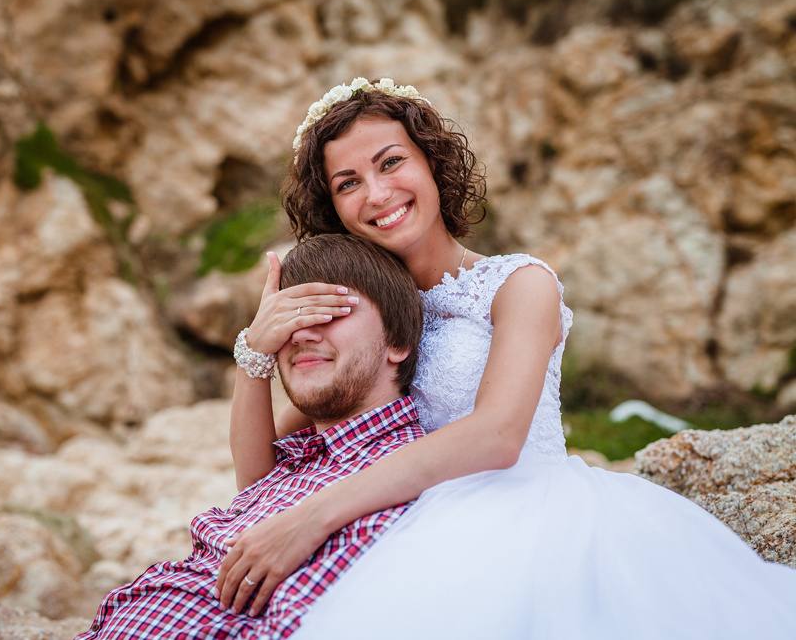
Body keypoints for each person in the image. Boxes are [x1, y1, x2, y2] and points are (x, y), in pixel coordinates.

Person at [219, 78, 796, 638]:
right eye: (348, 183)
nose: (376, 193)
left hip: (525, 514)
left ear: (432, 164)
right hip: (399, 525)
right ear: (334, 207)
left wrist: (316, 514)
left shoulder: (516, 284)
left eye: (391, 162)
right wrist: (256, 352)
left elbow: (498, 436)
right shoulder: (361, 316)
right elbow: (262, 478)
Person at [75, 233, 426, 640]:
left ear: (397, 341)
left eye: (330, 310)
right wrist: (255, 349)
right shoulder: (300, 460)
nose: (301, 334)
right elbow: (253, 479)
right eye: (288, 318)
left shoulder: (393, 481)